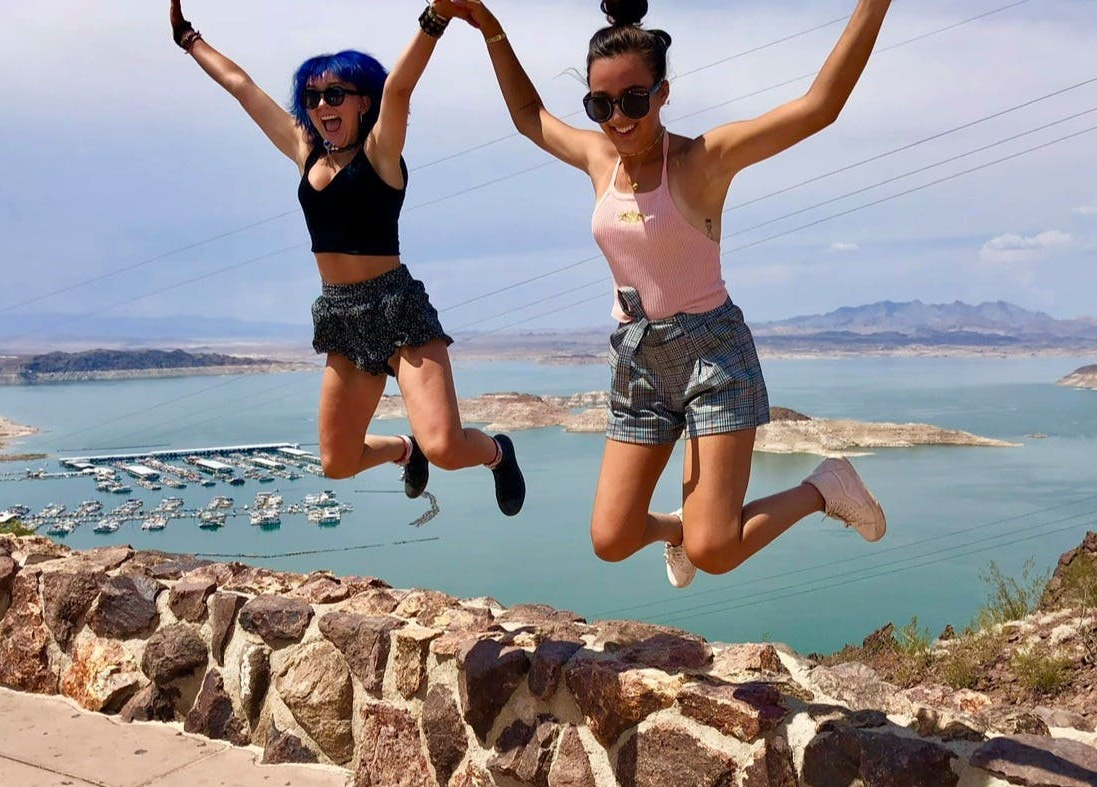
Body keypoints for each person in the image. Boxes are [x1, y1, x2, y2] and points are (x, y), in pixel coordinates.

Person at [448, 0, 890, 584]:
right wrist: (489, 25)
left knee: (715, 552)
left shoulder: (700, 161)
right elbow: (530, 116)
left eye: (634, 100)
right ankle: (682, 527)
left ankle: (824, 486)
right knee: (611, 539)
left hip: (713, 358)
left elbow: (819, 106)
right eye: (600, 104)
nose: (617, 118)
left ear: (662, 93)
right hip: (638, 362)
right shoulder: (599, 159)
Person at [167, 0, 525, 516]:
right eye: (312, 97)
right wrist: (189, 39)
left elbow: (400, 88)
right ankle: (405, 450)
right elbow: (242, 87)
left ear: (363, 103)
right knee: (337, 462)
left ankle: (497, 453)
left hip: (396, 307)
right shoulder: (305, 150)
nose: (321, 106)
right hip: (341, 314)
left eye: (335, 95)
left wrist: (436, 17)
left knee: (447, 448)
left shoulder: (381, 152)